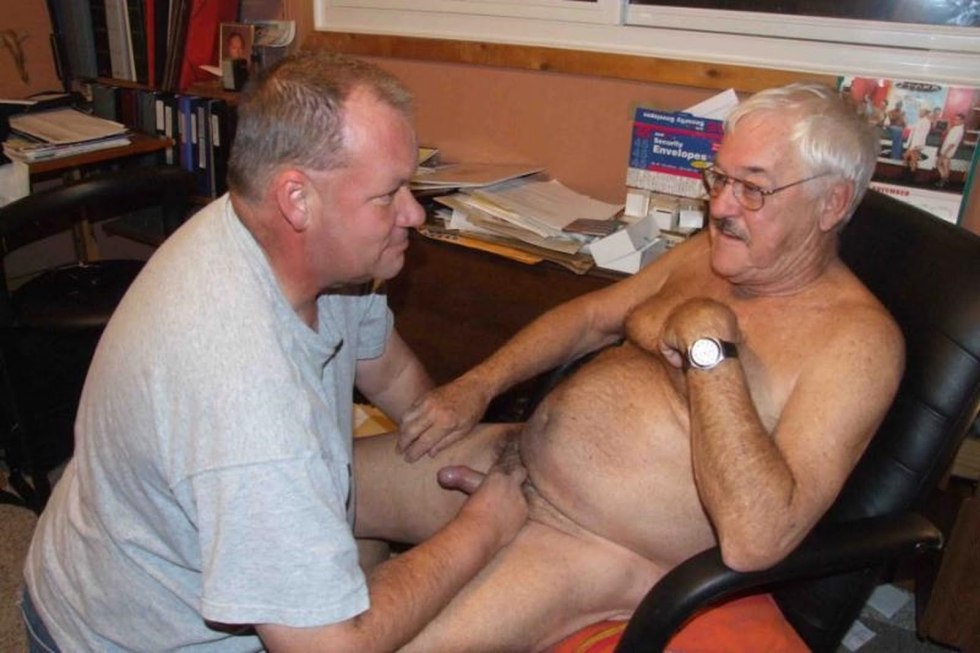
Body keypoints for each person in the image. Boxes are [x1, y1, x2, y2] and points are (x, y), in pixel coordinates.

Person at [353, 83, 905, 651]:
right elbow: (591, 318)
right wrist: (478, 384)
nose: (720, 207)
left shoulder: (857, 343)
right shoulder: (711, 252)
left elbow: (757, 540)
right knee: (321, 492)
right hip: (514, 460)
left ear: (832, 204)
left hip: (588, 543)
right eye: (719, 178)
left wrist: (708, 345)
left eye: (753, 188)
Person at [21, 51, 527, 652]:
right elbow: (327, 648)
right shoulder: (244, 389)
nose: (413, 214)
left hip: (161, 541)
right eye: (388, 194)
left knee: (516, 467)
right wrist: (483, 528)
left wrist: (455, 437)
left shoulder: (295, 244)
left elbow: (388, 370)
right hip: (127, 639)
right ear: (297, 199)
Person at [936, 112, 965, 188]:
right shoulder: (956, 128)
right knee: (945, 165)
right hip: (946, 149)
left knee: (939, 164)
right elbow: (949, 132)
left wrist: (945, 152)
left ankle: (944, 180)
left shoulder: (959, 130)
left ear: (962, 120)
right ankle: (945, 181)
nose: (955, 121)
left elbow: (952, 143)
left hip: (948, 150)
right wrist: (948, 122)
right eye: (955, 119)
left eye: (958, 119)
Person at [903, 106, 933, 175]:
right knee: (907, 157)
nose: (919, 113)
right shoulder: (921, 121)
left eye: (920, 111)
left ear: (924, 113)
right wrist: (905, 120)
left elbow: (923, 134)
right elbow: (911, 127)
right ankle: (910, 173)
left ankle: (911, 174)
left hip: (917, 144)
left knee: (912, 159)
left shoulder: (925, 121)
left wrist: (917, 145)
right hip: (915, 143)